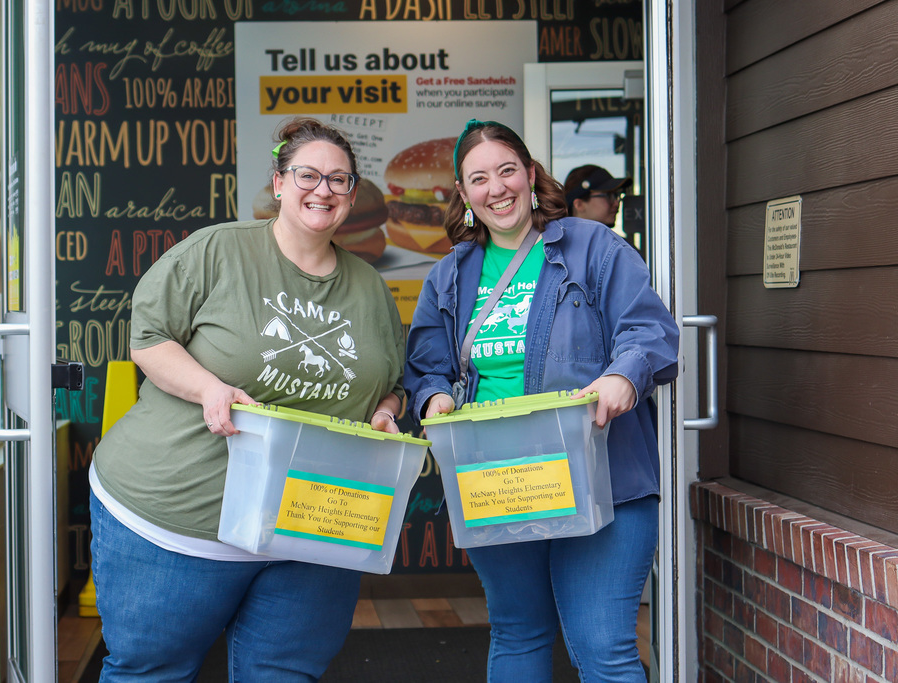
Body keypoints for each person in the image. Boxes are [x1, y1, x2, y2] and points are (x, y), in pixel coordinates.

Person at [89, 117, 406, 682]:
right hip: (178, 516)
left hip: (311, 526)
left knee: (284, 675)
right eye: (308, 174)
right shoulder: (219, 250)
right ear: (280, 183)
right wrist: (209, 387)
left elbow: (389, 381)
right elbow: (149, 337)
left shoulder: (371, 286)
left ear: (352, 195)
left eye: (339, 180)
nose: (323, 190)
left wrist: (385, 413)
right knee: (150, 673)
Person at [405, 119, 679, 682]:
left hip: (604, 477)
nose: (496, 188)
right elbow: (427, 366)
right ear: (463, 193)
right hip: (497, 479)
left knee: (603, 648)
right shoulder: (449, 277)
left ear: (530, 174)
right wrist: (433, 399)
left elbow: (648, 331)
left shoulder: (593, 246)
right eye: (478, 178)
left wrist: (623, 378)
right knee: (518, 632)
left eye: (507, 170)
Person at [564, 163, 631, 227]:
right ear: (579, 205)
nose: (616, 204)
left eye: (616, 195)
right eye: (608, 196)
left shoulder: (613, 239)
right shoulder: (561, 238)